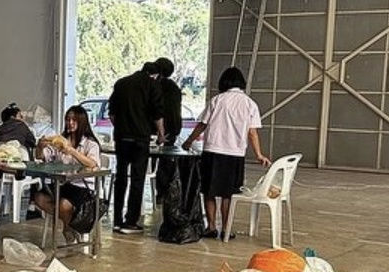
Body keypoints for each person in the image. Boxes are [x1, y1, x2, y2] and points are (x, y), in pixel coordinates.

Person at [181, 66, 270, 240]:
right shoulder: (250, 104)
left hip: (213, 151)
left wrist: (189, 140)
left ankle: (211, 227)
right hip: (235, 154)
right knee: (228, 193)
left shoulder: (217, 100)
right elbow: (252, 132)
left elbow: (202, 124)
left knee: (209, 191)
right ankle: (226, 229)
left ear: (224, 82)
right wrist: (259, 154)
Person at [108, 61, 165, 234]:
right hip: (140, 138)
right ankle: (130, 221)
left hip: (122, 137)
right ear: (155, 75)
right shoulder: (152, 84)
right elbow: (157, 113)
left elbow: (112, 114)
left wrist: (121, 128)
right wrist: (161, 134)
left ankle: (117, 219)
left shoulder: (122, 83)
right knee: (137, 179)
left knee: (121, 177)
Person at [33, 105, 102, 245]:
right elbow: (41, 158)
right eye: (67, 119)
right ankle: (71, 224)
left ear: (82, 122)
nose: (70, 123)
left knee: (64, 204)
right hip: (63, 184)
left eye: (74, 120)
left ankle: (67, 227)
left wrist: (72, 151)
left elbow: (92, 164)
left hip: (82, 187)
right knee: (39, 198)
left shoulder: (90, 143)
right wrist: (40, 146)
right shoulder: (60, 140)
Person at [156, 57, 184, 148]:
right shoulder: (174, 87)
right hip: (173, 126)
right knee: (167, 155)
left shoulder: (154, 86)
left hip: (155, 126)